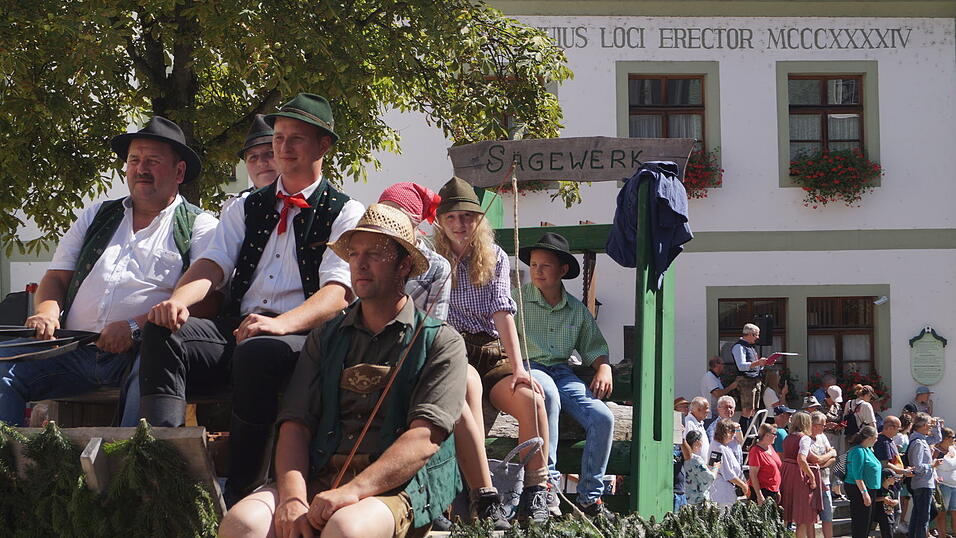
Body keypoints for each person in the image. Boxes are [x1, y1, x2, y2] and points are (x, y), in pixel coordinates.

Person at [143, 93, 365, 506]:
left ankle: (241, 490)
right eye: (279, 137)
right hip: (242, 328)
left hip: (307, 338)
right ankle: (167, 473)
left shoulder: (346, 211)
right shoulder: (244, 205)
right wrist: (179, 302)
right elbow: (211, 266)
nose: (283, 148)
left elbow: (336, 295)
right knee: (163, 331)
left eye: (296, 138)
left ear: (323, 146)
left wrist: (280, 324)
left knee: (258, 350)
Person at [218, 204, 466, 538]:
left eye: (375, 254)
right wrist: (292, 498)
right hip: (321, 477)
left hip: (398, 488)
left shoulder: (441, 341)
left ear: (404, 265)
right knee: (241, 525)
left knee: (344, 528)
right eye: (354, 253)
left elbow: (423, 440)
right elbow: (295, 424)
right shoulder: (326, 335)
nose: (360, 264)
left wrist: (352, 492)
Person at [0, 117, 218, 427]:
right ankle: (10, 466)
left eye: (153, 161)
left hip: (142, 357)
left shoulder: (201, 225)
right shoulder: (96, 215)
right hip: (73, 349)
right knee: (3, 363)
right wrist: (47, 313)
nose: (140, 169)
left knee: (151, 375)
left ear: (179, 171)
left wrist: (135, 326)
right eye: (134, 160)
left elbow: (208, 302)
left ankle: (127, 469)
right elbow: (57, 277)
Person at [378, 182, 508, 529]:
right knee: (458, 391)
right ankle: (473, 492)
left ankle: (477, 492)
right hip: (373, 352)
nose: (391, 224)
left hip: (418, 350)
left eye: (400, 216)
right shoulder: (369, 252)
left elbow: (435, 326)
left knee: (462, 381)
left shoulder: (435, 265)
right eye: (386, 214)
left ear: (416, 222)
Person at [432, 176, 551, 523]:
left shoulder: (493, 255)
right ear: (440, 221)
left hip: (489, 347)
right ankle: (477, 496)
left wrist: (518, 369)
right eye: (452, 217)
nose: (460, 224)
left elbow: (502, 313)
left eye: (467, 217)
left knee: (532, 399)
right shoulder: (432, 258)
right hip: (452, 346)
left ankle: (534, 495)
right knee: (466, 389)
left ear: (478, 220)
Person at [513, 232, 616, 520]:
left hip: (562, 370)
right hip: (530, 366)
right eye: (533, 265)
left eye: (545, 265)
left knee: (603, 417)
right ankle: (547, 487)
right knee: (548, 396)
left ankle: (590, 498)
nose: (537, 271)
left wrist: (604, 366)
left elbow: (594, 347)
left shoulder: (577, 310)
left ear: (563, 270)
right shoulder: (517, 301)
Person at [780, 411, 821, 538]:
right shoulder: (804, 438)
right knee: (802, 515)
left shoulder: (787, 437)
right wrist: (812, 476)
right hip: (798, 474)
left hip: (786, 473)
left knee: (786, 512)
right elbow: (801, 459)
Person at [725, 323, 770, 428]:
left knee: (753, 410)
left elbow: (754, 365)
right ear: (749, 334)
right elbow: (741, 366)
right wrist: (758, 363)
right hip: (746, 381)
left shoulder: (750, 347)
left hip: (755, 380)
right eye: (756, 335)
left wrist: (762, 364)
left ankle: (749, 433)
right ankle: (743, 435)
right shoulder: (739, 347)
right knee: (747, 410)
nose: (758, 337)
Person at [907, 413, 944, 538]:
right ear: (922, 425)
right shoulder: (918, 442)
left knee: (917, 516)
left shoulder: (921, 439)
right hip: (922, 484)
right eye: (928, 424)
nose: (930, 426)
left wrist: (936, 425)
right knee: (923, 518)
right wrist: (932, 465)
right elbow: (917, 467)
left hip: (922, 484)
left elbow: (937, 439)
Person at [844, 426, 881, 538]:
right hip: (859, 489)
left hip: (870, 488)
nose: (876, 440)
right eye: (875, 437)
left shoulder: (868, 450)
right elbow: (857, 475)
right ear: (869, 438)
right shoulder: (858, 451)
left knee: (867, 523)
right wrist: (865, 493)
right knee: (861, 523)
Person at [709, 418, 749, 508]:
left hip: (726, 492)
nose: (733, 435)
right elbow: (728, 473)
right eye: (732, 432)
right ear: (725, 433)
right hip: (722, 494)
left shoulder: (722, 446)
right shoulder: (718, 448)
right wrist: (743, 485)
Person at [810, 411, 838, 538]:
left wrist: (822, 462)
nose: (824, 427)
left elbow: (834, 456)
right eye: (822, 424)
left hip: (825, 480)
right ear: (814, 425)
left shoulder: (823, 437)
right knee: (810, 517)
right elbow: (815, 460)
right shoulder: (806, 439)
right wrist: (827, 457)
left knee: (827, 516)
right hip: (811, 483)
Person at [748, 423, 783, 506]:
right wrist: (759, 496)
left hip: (773, 490)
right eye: (774, 434)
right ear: (767, 435)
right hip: (763, 491)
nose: (776, 436)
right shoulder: (756, 451)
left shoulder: (770, 447)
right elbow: (753, 475)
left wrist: (778, 490)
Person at [683, 430, 719, 505]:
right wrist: (716, 467)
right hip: (698, 501)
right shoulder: (696, 459)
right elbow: (709, 478)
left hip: (685, 499)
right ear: (697, 442)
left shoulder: (681, 457)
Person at [707, 395, 743, 464]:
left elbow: (740, 440)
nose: (729, 410)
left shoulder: (734, 424)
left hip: (736, 462)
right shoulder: (715, 426)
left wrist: (738, 429)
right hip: (724, 465)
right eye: (726, 407)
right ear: (718, 409)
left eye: (731, 407)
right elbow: (714, 448)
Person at [934, 428, 956, 538]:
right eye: (952, 437)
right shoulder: (938, 450)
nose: (954, 439)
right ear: (946, 438)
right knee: (942, 512)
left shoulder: (953, 448)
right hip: (944, 486)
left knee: (955, 512)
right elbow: (932, 465)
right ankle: (942, 535)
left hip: (954, 485)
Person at [873, 469, 901, 538]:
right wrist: (883, 499)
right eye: (893, 477)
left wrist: (895, 502)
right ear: (886, 478)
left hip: (890, 516)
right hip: (882, 516)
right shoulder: (878, 490)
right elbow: (872, 500)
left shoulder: (891, 491)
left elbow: (896, 500)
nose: (895, 479)